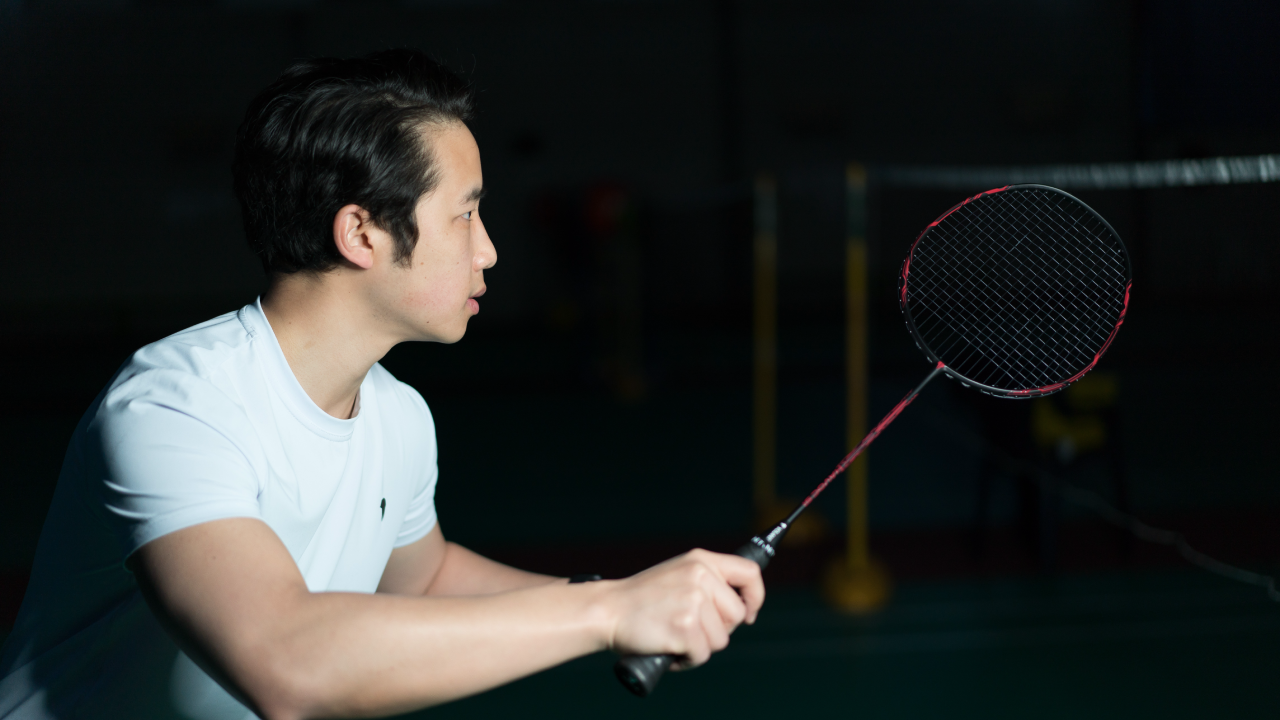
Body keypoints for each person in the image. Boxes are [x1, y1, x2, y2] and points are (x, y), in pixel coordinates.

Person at [0, 49, 764, 720]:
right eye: (465, 215)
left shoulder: (397, 414)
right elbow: (284, 661)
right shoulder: (176, 405)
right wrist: (607, 612)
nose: (490, 251)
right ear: (361, 233)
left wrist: (631, 594)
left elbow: (422, 578)